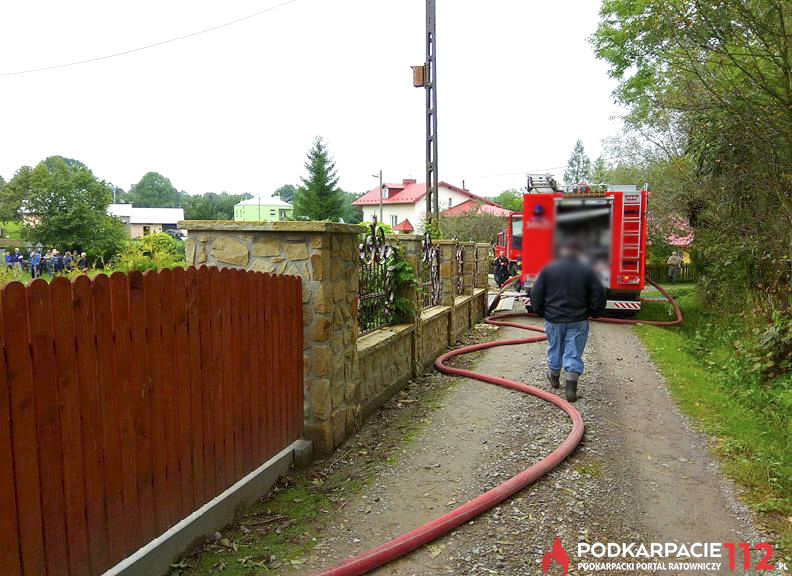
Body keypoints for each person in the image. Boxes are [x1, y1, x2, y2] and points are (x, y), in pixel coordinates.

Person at [530, 239, 606, 402]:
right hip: (578, 319)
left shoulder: (548, 269)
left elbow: (536, 294)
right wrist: (595, 312)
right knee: (574, 351)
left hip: (554, 318)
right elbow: (598, 293)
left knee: (555, 347)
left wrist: (540, 311)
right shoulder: (588, 270)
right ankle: (571, 388)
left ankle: (554, 377)